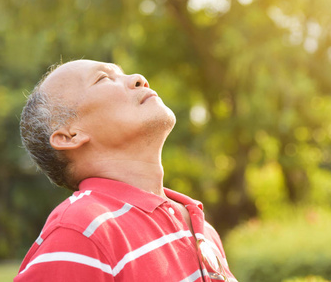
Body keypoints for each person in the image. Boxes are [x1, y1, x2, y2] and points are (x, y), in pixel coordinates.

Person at [14, 59, 237, 282]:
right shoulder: (80, 231)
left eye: (122, 73)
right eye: (103, 78)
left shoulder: (202, 228)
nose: (139, 78)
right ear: (70, 136)